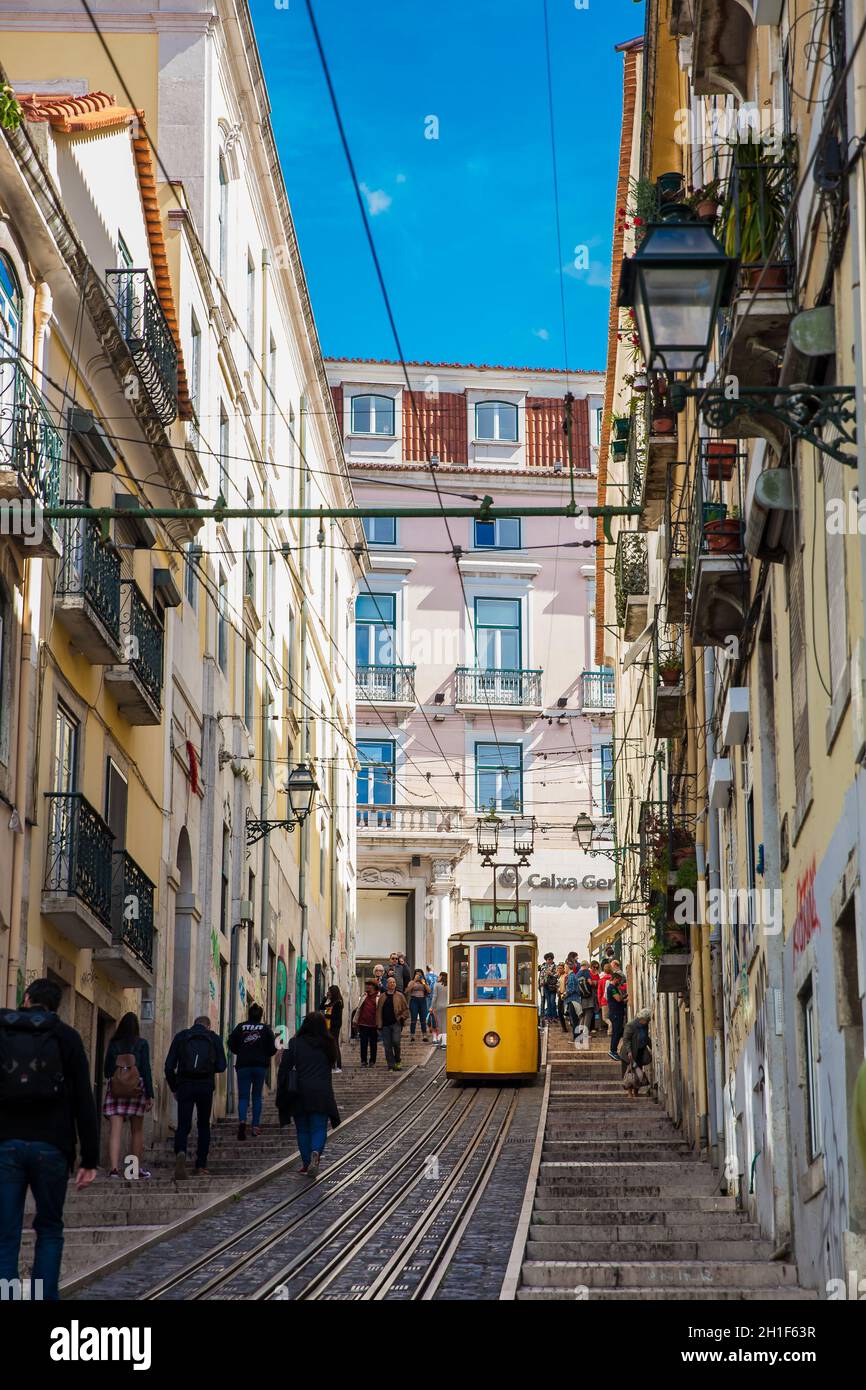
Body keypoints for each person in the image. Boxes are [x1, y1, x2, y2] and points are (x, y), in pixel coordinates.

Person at [0, 979, 98, 1301]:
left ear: (26, 999)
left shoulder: (3, 1031)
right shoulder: (66, 1037)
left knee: (5, 1235)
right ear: (55, 1007)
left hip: (6, 1144)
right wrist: (90, 1159)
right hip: (53, 1147)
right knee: (50, 1229)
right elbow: (85, 1098)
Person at [276, 1013, 340, 1177]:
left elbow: (284, 1068)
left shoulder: (295, 1043)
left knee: (303, 1129)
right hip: (321, 1092)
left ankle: (306, 1163)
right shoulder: (328, 1043)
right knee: (319, 1127)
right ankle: (316, 1152)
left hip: (298, 1091)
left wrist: (281, 1090)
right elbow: (333, 1062)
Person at [165, 1014, 227, 1178]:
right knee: (203, 1125)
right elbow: (222, 1065)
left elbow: (168, 1066)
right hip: (205, 1086)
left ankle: (181, 1152)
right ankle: (201, 1165)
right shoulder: (214, 1038)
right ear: (208, 1026)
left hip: (185, 1085)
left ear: (194, 1024)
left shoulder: (182, 1036)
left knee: (183, 1125)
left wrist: (174, 1087)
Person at [102, 1012, 154, 1178]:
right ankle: (134, 1169)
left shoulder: (114, 1043)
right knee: (137, 1131)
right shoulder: (142, 1044)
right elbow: (146, 1069)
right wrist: (149, 1094)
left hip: (116, 1090)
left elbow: (107, 1071)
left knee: (115, 1131)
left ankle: (114, 1170)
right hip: (136, 1089)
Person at [228, 1003, 277, 1140]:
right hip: (260, 1067)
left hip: (243, 1066)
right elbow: (273, 1049)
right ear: (261, 1016)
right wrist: (263, 1053)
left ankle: (242, 1121)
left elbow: (231, 1043)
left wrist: (241, 1052)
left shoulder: (240, 1027)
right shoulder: (265, 1029)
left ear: (248, 1014)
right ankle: (255, 1126)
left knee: (243, 1097)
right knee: (256, 1096)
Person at [376, 975, 408, 1070]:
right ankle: (391, 1065)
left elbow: (406, 1009)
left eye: (394, 982)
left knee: (396, 1042)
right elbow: (378, 1011)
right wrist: (378, 1024)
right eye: (390, 982)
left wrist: (402, 1017)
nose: (392, 984)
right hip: (385, 1025)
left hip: (396, 1023)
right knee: (387, 1046)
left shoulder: (400, 996)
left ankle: (397, 1060)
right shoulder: (382, 997)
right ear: (387, 984)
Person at [620, 1008, 652, 1099]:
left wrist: (651, 1045)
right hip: (629, 1053)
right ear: (642, 1019)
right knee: (630, 1073)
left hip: (639, 1052)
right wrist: (629, 1051)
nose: (648, 1022)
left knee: (638, 1073)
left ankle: (636, 1092)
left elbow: (646, 1037)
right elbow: (626, 1040)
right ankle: (629, 1093)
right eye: (647, 1020)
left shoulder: (645, 1025)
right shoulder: (631, 1025)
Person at [352, 980, 380, 1066]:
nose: (367, 987)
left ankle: (372, 1061)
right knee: (363, 1043)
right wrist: (355, 1021)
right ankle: (363, 1061)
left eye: (369, 985)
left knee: (373, 1044)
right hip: (363, 1023)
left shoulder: (378, 997)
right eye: (366, 985)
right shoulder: (364, 996)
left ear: (374, 987)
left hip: (374, 1024)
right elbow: (359, 1009)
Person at [606, 962, 629, 1062]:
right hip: (615, 1014)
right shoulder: (612, 988)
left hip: (617, 1013)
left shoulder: (614, 987)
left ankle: (615, 1050)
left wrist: (624, 996)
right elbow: (618, 999)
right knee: (616, 1032)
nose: (620, 982)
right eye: (619, 980)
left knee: (619, 1032)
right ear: (615, 979)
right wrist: (625, 999)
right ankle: (613, 1051)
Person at [321, 986, 344, 1072]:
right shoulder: (331, 1003)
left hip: (335, 1027)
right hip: (329, 1027)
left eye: (329, 991)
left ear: (333, 992)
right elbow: (321, 1007)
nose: (328, 993)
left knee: (335, 1045)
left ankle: (338, 1066)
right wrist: (325, 998)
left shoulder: (338, 1003)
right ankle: (332, 1066)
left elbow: (334, 1016)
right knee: (331, 1045)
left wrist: (324, 1015)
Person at [405, 969, 431, 1041]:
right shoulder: (411, 982)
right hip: (414, 1000)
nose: (418, 976)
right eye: (417, 974)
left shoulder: (424, 982)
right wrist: (414, 981)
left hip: (422, 1000)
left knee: (423, 1019)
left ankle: (424, 1035)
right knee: (413, 1018)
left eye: (420, 974)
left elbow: (429, 991)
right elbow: (407, 990)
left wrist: (424, 983)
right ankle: (412, 1035)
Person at [538, 952, 559, 1024]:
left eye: (549, 959)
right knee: (548, 1002)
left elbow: (557, 975)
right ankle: (549, 1017)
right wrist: (541, 982)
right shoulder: (543, 966)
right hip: (545, 986)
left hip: (553, 986)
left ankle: (554, 1016)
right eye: (547, 959)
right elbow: (541, 975)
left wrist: (551, 974)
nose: (548, 961)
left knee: (552, 1001)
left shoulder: (556, 967)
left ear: (552, 959)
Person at [429, 972, 448, 1047]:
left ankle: (440, 1041)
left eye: (439, 976)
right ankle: (444, 1042)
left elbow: (434, 997)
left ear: (441, 976)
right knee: (445, 1024)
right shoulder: (449, 985)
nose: (437, 977)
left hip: (438, 1007)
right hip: (447, 1006)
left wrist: (432, 1007)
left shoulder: (436, 985)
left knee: (439, 1024)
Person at [597, 961, 613, 1035]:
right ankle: (611, 1030)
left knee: (605, 1018)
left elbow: (599, 993)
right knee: (611, 1016)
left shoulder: (601, 980)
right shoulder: (612, 979)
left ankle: (610, 1027)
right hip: (612, 1000)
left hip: (604, 1001)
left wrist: (599, 1002)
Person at [555, 962, 569, 1033]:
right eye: (558, 968)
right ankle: (564, 1027)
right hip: (560, 995)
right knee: (560, 1012)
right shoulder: (558, 976)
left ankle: (569, 1025)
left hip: (565, 995)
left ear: (564, 969)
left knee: (566, 1012)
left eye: (561, 968)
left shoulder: (566, 976)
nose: (559, 969)